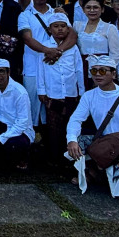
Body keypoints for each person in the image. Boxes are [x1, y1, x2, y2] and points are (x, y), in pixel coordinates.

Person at [66, 56, 119, 197]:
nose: (98, 75)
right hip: (104, 144)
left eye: (103, 71)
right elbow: (75, 120)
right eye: (94, 71)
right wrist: (72, 139)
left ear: (114, 74)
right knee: (74, 146)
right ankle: (98, 170)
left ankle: (98, 172)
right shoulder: (89, 96)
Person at [17, 0, 78, 130]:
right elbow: (27, 38)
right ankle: (30, 140)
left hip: (56, 65)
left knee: (54, 106)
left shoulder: (58, 13)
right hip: (33, 65)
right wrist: (47, 51)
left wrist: (58, 51)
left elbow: (72, 35)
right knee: (32, 105)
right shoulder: (25, 16)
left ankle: (51, 143)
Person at [37, 13, 83, 172]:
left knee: (69, 125)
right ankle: (54, 158)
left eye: (63, 26)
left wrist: (81, 91)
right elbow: (40, 70)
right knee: (54, 126)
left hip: (70, 92)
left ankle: (69, 158)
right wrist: (42, 90)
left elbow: (78, 70)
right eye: (56, 26)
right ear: (50, 29)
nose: (59, 29)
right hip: (53, 93)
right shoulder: (45, 46)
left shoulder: (73, 48)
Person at [76, 0, 119, 90]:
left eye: (95, 7)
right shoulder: (77, 26)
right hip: (81, 68)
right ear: (83, 10)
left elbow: (115, 54)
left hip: (102, 70)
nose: (92, 10)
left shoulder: (109, 28)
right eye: (88, 7)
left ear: (102, 9)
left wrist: (104, 72)